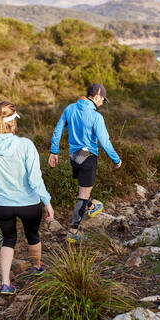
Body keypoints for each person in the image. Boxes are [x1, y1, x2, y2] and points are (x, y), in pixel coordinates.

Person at [0, 101, 54, 295]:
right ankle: (37, 266)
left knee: (8, 239)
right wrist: (47, 201)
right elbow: (35, 178)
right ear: (13, 123)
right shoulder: (25, 145)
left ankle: (5, 283)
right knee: (32, 235)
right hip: (29, 203)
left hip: (2, 204)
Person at [48, 83, 122, 243]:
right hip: (88, 157)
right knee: (83, 195)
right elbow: (105, 141)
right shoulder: (96, 117)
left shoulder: (69, 109)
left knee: (83, 187)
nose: (102, 103)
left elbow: (57, 130)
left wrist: (53, 151)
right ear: (96, 97)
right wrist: (116, 159)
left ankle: (91, 206)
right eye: (102, 99)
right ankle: (73, 232)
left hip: (74, 156)